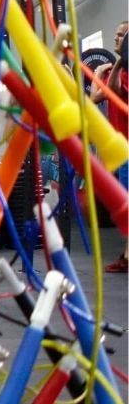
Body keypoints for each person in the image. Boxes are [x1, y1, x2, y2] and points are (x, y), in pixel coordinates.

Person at [92, 21, 128, 273]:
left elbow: (113, 89)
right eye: (115, 35)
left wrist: (116, 64)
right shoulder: (116, 71)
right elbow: (94, 97)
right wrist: (98, 72)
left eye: (121, 36)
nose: (116, 39)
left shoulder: (124, 73)